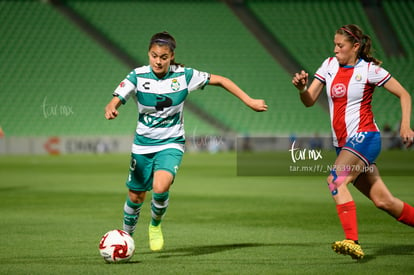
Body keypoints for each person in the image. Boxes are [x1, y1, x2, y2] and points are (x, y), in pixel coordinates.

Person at [105, 31, 268, 252]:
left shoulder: (184, 75)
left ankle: (155, 225)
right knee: (136, 195)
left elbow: (220, 80)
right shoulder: (137, 75)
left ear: (171, 56)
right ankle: (126, 238)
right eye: (154, 56)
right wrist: (112, 106)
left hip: (172, 142)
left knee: (160, 187)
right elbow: (117, 98)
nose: (158, 61)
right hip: (143, 145)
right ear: (148, 54)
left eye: (163, 57)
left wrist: (249, 101)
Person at [292, 24, 414, 260]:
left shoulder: (370, 70)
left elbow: (404, 94)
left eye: (341, 45)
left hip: (365, 137)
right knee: (384, 201)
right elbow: (309, 101)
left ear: (355, 46)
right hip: (344, 144)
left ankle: (352, 241)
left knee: (335, 180)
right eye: (335, 45)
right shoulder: (328, 65)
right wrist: (302, 89)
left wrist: (405, 124)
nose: (336, 49)